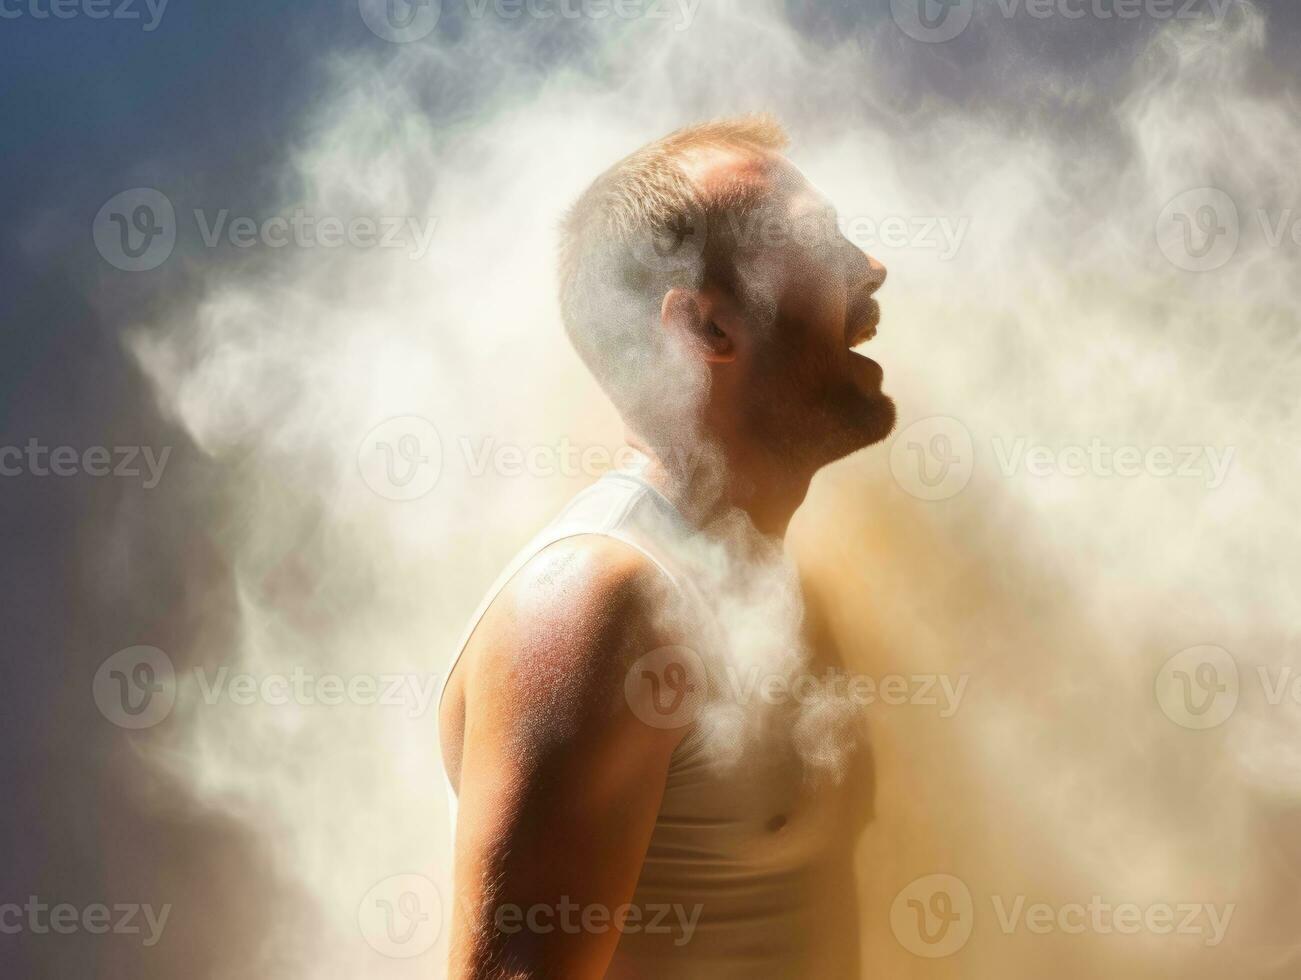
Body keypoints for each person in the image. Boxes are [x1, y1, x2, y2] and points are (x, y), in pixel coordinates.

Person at [437, 114, 893, 978]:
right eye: (816, 243)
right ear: (708, 330)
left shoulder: (757, 590)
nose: (869, 269)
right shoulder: (599, 601)